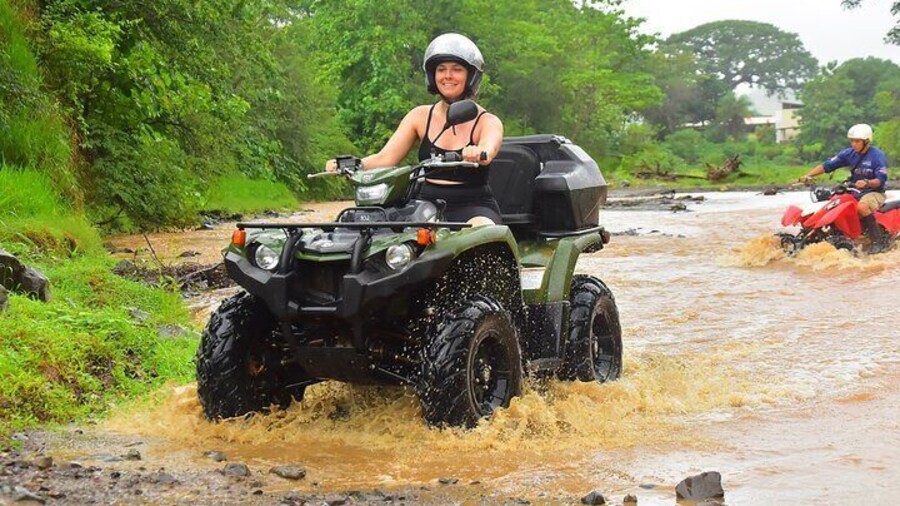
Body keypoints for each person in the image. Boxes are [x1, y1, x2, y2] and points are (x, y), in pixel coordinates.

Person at [326, 33, 504, 226]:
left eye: (457, 69)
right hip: (425, 204)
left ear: (471, 76)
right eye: (441, 69)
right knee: (373, 229)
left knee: (480, 230)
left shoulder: (487, 121)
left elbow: (490, 146)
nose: (447, 76)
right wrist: (352, 165)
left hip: (473, 205)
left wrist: (478, 151)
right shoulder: (419, 116)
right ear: (432, 76)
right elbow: (385, 158)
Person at [799, 123, 890, 253]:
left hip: (874, 192)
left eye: (857, 141)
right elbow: (827, 166)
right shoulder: (849, 154)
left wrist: (867, 182)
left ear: (866, 141)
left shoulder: (877, 156)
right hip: (853, 191)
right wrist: (808, 175)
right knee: (833, 203)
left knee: (861, 207)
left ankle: (878, 242)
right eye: (852, 141)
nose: (853, 144)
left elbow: (880, 180)